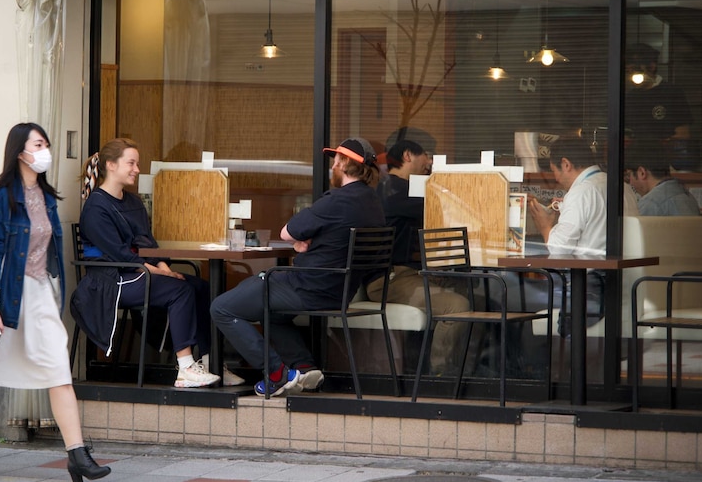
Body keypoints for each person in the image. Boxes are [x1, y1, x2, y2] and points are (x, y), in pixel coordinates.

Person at [0, 123, 110, 482]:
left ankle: (77, 455)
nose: (45, 150)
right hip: (3, 298)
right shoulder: (0, 198)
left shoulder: (45, 196)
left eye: (46, 142)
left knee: (59, 370)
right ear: (20, 152)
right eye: (38, 144)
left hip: (40, 295)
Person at [210, 137, 386, 397]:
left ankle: (276, 372)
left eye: (336, 161)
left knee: (222, 307)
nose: (333, 166)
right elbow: (331, 239)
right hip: (338, 291)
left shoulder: (337, 201)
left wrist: (302, 243)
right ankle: (303, 366)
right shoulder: (373, 205)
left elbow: (287, 232)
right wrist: (310, 243)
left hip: (307, 287)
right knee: (273, 313)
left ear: (345, 164)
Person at [77, 138, 242, 388]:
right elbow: (120, 254)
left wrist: (163, 267)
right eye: (130, 163)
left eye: (137, 163)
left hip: (138, 272)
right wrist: (156, 271)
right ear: (111, 165)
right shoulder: (96, 207)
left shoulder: (132, 202)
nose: (136, 169)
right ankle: (185, 367)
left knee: (200, 287)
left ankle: (211, 361)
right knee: (180, 291)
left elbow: (147, 241)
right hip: (111, 280)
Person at [365, 140, 468, 372]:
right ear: (408, 155)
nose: (430, 163)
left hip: (411, 275)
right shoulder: (393, 189)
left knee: (479, 300)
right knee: (458, 306)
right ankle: (440, 375)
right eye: (427, 156)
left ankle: (464, 371)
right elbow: (448, 210)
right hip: (390, 280)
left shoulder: (400, 188)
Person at [524, 135, 639, 322]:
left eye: (555, 171)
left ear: (566, 164)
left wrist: (545, 226)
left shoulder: (581, 193)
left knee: (512, 296)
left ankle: (532, 351)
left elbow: (558, 250)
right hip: (626, 286)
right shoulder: (623, 187)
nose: (556, 178)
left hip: (591, 293)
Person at [625, 43, 692, 143]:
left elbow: (683, 134)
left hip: (663, 154)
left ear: (652, 67)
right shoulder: (629, 98)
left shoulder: (672, 92)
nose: (631, 76)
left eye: (635, 70)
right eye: (628, 71)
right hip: (634, 155)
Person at [624, 140, 700, 216]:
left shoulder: (651, 203)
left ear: (642, 172)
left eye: (629, 175)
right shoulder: (688, 196)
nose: (630, 182)